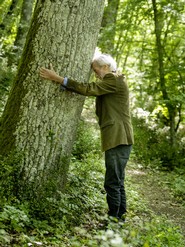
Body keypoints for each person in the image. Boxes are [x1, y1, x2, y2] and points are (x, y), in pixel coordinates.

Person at [40, 54, 134, 222]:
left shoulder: (113, 78)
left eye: (96, 70)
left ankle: (114, 222)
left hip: (118, 137)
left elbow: (89, 89)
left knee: (112, 182)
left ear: (105, 67)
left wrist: (58, 78)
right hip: (120, 137)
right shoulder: (116, 80)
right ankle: (119, 219)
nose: (96, 75)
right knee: (117, 181)